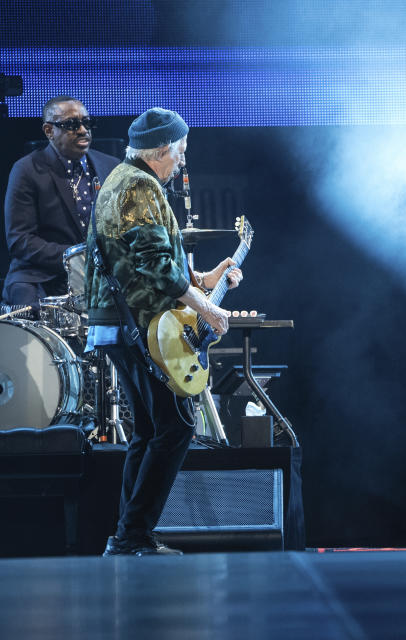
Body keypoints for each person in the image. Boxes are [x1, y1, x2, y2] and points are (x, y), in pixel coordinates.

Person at [85, 108, 242, 556]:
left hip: (124, 325)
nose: (182, 161)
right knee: (174, 427)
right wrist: (208, 309)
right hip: (138, 327)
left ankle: (129, 535)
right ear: (161, 151)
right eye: (181, 152)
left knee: (152, 429)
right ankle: (133, 535)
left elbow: (151, 261)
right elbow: (154, 266)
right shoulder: (139, 186)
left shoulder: (126, 179)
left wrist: (207, 279)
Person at [2, 96, 120, 309]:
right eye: (71, 125)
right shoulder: (26, 170)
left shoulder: (110, 166)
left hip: (99, 275)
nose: (83, 130)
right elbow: (20, 240)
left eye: (87, 122)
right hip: (40, 276)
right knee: (30, 315)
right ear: (49, 131)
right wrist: (76, 258)